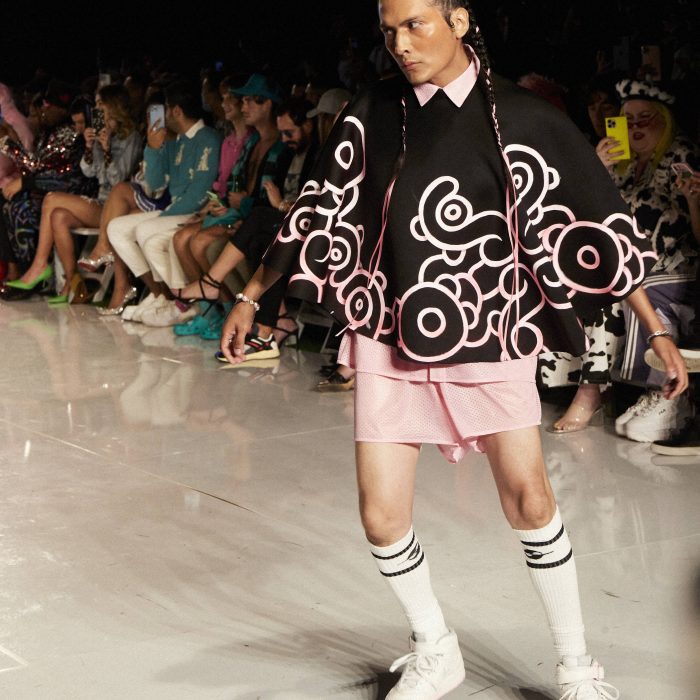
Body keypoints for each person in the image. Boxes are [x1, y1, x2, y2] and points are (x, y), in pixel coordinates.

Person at [219, 2, 688, 699]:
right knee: (381, 516)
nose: (400, 43)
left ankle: (575, 666)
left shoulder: (523, 118)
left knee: (530, 502)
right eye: (389, 30)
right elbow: (318, 207)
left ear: (460, 21)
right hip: (388, 329)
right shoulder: (371, 112)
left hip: (489, 328)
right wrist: (253, 294)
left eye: (416, 24)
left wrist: (655, 329)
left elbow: (596, 219)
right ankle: (436, 648)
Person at [598, 80, 698, 444]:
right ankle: (594, 390)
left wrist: (694, 201)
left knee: (644, 289)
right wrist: (597, 170)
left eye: (645, 118)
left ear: (665, 121)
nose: (635, 126)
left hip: (679, 268)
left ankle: (669, 394)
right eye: (627, 120)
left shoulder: (679, 156)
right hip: (634, 266)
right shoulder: (624, 166)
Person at [4, 84, 141, 303]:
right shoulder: (99, 133)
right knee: (58, 216)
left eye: (100, 104)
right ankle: (73, 283)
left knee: (51, 199)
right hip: (100, 201)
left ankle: (39, 266)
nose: (96, 109)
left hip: (117, 207)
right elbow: (90, 171)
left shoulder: (130, 138)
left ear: (113, 106)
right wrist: (90, 147)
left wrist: (107, 150)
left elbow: (118, 180)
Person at [106, 80, 221, 326]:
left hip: (194, 212)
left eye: (165, 109)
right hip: (174, 211)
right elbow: (156, 183)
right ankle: (160, 294)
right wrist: (153, 147)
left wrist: (164, 216)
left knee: (146, 230)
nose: (163, 116)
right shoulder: (176, 141)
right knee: (116, 228)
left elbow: (200, 191)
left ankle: (181, 300)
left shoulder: (208, 138)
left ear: (176, 111)